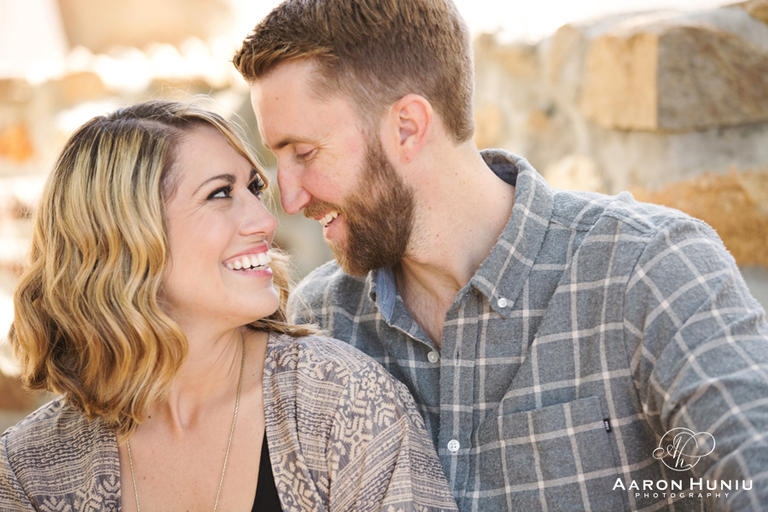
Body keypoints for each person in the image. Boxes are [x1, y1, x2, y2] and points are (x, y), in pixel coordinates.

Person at [233, 0, 768, 510]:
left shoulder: (647, 268)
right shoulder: (322, 321)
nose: (292, 198)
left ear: (407, 128)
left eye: (304, 154)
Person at [0, 99, 459, 512]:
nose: (264, 220)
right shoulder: (29, 469)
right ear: (122, 238)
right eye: (220, 194)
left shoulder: (344, 405)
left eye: (253, 189)